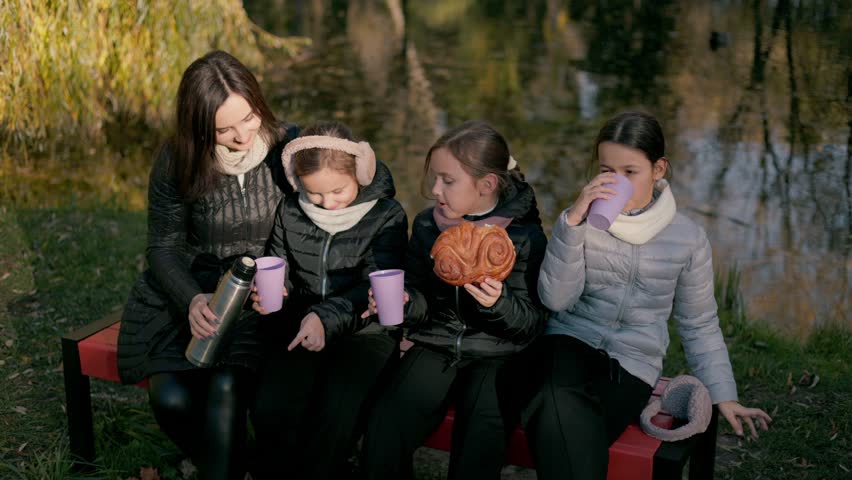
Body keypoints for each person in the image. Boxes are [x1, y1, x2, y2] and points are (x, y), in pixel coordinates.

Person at [511, 112, 772, 480]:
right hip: (567, 343)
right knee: (556, 394)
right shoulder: (580, 221)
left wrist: (723, 394)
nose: (615, 182)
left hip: (632, 363)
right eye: (607, 171)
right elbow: (555, 300)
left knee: (568, 423)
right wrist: (572, 224)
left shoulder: (688, 239)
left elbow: (699, 323)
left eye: (629, 172)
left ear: (658, 169)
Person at [116, 50, 299, 480]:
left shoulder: (290, 147)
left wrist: (288, 278)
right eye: (224, 129)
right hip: (196, 294)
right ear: (199, 127)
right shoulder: (177, 159)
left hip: (263, 301)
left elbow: (352, 188)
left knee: (225, 385)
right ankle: (238, 464)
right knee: (171, 398)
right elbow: (162, 246)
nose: (242, 135)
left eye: (249, 117)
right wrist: (191, 299)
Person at [359, 121, 549, 480]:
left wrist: (499, 303)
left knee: (480, 433)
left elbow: (532, 324)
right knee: (387, 423)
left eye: (448, 181)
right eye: (435, 178)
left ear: (486, 185)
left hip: (498, 353)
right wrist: (404, 302)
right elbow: (421, 301)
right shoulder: (428, 226)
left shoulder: (523, 238)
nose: (435, 190)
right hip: (437, 342)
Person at [249, 121, 408, 479]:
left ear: (360, 174)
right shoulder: (291, 210)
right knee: (272, 407)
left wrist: (325, 317)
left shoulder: (387, 215)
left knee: (335, 415)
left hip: (364, 331)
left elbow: (376, 282)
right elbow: (279, 260)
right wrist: (274, 288)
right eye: (315, 194)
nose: (328, 203)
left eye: (338, 191)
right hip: (302, 323)